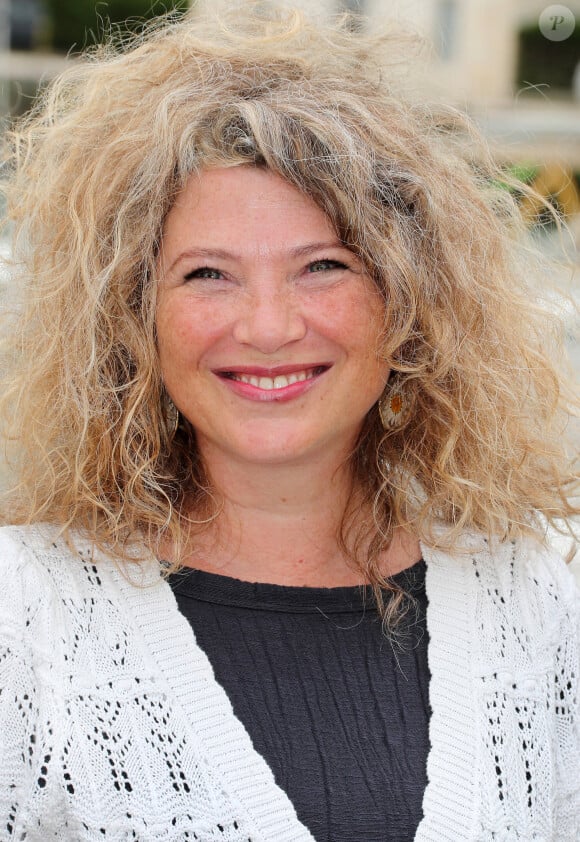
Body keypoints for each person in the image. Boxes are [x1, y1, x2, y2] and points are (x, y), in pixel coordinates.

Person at [0, 6, 578, 841]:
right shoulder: (27, 617)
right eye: (208, 274)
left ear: (407, 302)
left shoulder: (537, 607)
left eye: (322, 268)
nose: (268, 326)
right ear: (132, 320)